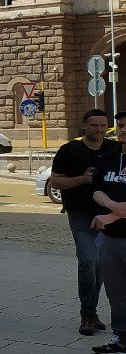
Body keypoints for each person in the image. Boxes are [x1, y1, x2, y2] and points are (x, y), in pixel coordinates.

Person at [51, 109, 115, 336]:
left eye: (103, 126)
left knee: (99, 264)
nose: (98, 130)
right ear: (84, 125)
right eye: (94, 125)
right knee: (88, 261)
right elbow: (56, 182)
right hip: (80, 214)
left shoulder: (114, 149)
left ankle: (93, 312)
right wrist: (83, 179)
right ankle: (87, 314)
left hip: (109, 216)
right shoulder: (70, 150)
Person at [90, 145, 126, 354]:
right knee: (116, 293)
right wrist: (113, 206)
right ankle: (121, 338)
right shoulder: (108, 159)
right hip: (109, 239)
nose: (123, 129)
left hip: (110, 224)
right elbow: (96, 189)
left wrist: (111, 215)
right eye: (121, 125)